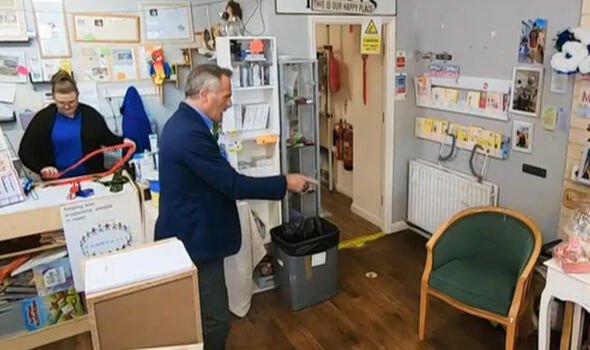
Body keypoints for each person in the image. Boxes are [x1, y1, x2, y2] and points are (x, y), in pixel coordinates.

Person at [155, 64, 313, 350]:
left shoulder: (185, 124)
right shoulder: (189, 134)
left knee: (207, 314)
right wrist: (285, 183)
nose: (230, 103)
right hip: (194, 241)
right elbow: (233, 185)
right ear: (205, 94)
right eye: (226, 96)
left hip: (196, 235)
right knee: (215, 320)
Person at [18, 70, 132, 179]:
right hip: (58, 182)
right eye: (61, 103)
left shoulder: (90, 115)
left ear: (77, 96)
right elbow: (25, 151)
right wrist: (42, 168)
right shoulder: (43, 119)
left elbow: (106, 138)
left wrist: (123, 142)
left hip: (92, 178)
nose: (67, 106)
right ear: (53, 98)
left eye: (71, 102)